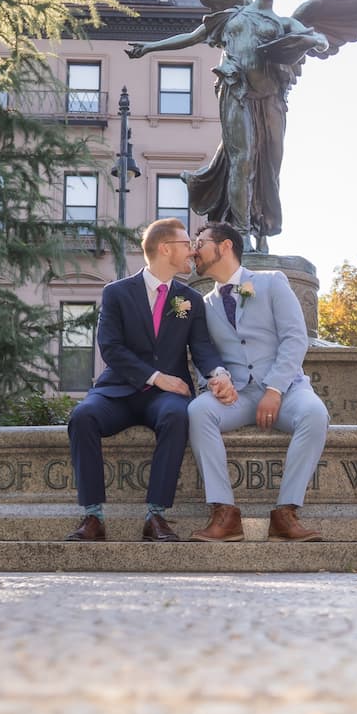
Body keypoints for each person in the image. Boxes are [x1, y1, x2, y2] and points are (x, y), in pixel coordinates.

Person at [127, 0, 357, 255]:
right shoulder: (232, 16)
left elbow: (313, 36)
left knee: (269, 166)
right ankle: (241, 235)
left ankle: (262, 228)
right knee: (244, 159)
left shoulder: (283, 24)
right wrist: (149, 48)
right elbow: (192, 37)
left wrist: (316, 41)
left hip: (270, 100)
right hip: (236, 91)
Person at [64, 218, 236, 542]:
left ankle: (155, 516)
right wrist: (157, 377)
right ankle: (93, 516)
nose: (193, 251)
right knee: (82, 417)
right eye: (187, 244)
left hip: (165, 400)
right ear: (165, 248)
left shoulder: (190, 300)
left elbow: (202, 348)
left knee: (177, 415)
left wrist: (219, 374)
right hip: (119, 390)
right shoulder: (116, 293)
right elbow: (111, 348)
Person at [184, 221, 329, 542]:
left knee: (315, 414)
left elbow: (295, 338)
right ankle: (224, 512)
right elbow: (203, 352)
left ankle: (285, 513)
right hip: (237, 397)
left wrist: (275, 388)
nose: (194, 249)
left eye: (200, 241)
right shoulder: (204, 305)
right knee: (198, 411)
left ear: (225, 247)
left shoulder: (272, 283)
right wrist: (214, 381)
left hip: (287, 390)